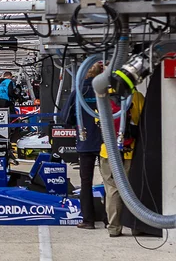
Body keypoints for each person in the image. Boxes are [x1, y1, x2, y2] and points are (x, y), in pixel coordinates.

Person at [60, 62, 103, 230]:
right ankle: (112, 220)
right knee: (112, 181)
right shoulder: (107, 90)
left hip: (85, 141)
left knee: (86, 181)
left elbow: (65, 117)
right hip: (107, 143)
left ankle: (88, 220)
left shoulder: (78, 92)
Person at [98, 90, 144, 237]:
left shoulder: (103, 95)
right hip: (130, 152)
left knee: (112, 190)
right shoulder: (136, 97)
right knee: (132, 189)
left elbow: (97, 121)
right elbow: (144, 121)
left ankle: (114, 228)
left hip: (108, 152)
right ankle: (135, 225)